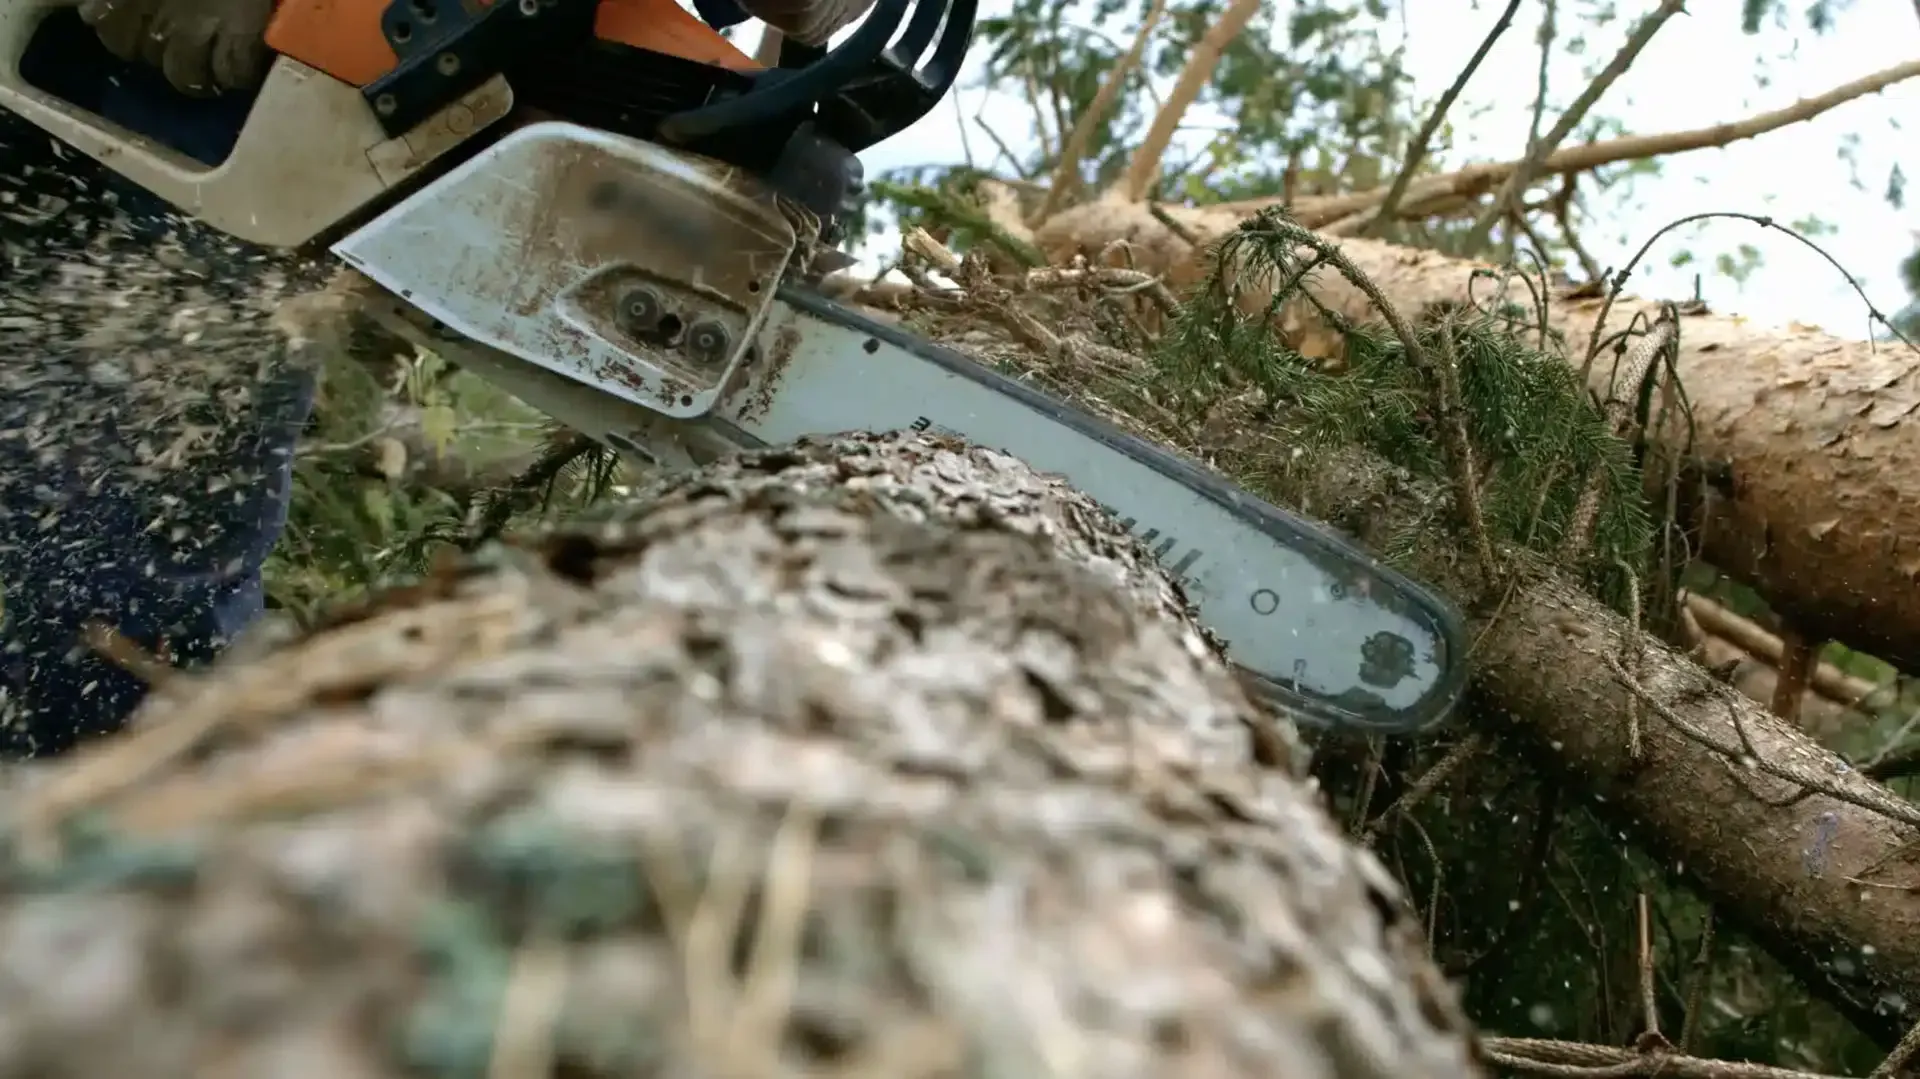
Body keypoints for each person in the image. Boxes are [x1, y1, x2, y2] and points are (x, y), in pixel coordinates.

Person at [0, 0, 880, 758]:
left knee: (161, 510)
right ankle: (93, 829)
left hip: (296, 108)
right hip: (171, 93)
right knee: (126, 531)